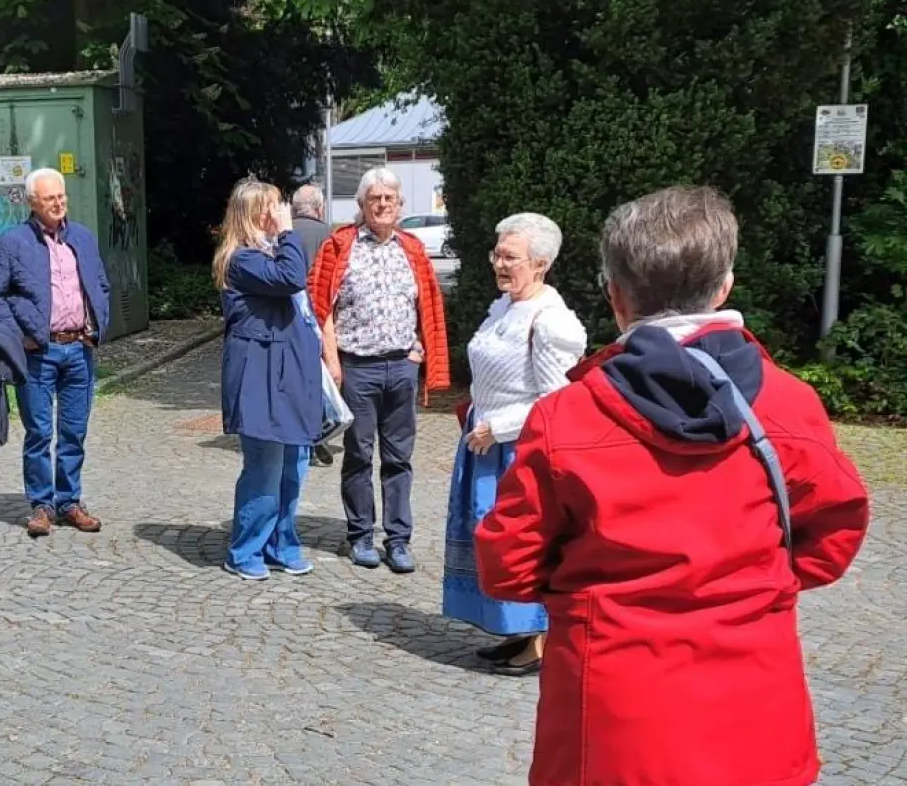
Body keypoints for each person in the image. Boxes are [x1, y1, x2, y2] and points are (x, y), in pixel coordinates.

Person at [476, 186, 870, 786]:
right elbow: (834, 530)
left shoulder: (565, 418)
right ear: (726, 286)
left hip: (611, 707)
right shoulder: (791, 405)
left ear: (614, 296)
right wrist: (755, 584)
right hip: (755, 696)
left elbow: (508, 563)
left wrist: (582, 598)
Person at [440, 213, 585, 675]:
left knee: (521, 538)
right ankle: (513, 630)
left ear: (540, 263)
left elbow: (556, 399)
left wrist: (498, 427)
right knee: (488, 534)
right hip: (485, 442)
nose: (500, 264)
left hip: (517, 450)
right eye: (496, 255)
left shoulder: (550, 320)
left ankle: (538, 638)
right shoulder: (504, 306)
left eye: (511, 257)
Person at [306, 168, 449, 573]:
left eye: (390, 198)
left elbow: (428, 305)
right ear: (363, 205)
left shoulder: (413, 249)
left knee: (399, 457)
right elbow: (322, 308)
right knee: (358, 454)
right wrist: (331, 361)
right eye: (375, 199)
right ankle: (361, 535)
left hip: (401, 368)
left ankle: (399, 539)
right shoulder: (340, 246)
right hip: (357, 368)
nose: (383, 205)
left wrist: (420, 345)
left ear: (400, 205)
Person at [0, 167, 113, 537]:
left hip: (79, 348)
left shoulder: (83, 238)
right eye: (50, 198)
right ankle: (41, 504)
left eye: (62, 196)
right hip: (39, 352)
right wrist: (18, 334)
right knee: (38, 431)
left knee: (74, 430)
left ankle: (69, 501)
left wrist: (98, 323)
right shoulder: (13, 242)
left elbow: (100, 283)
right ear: (32, 202)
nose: (58, 203)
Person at [213, 179, 324, 580]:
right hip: (260, 376)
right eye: (273, 206)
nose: (281, 213)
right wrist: (289, 232)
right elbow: (291, 277)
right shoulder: (242, 260)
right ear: (253, 214)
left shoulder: (271, 252)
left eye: (282, 206)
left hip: (288, 372)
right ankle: (245, 550)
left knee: (295, 464)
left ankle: (282, 542)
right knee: (265, 467)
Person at [289, 184, 333, 466]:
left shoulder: (283, 233)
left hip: (289, 315)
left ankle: (297, 432)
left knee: (294, 376)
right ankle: (321, 432)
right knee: (324, 378)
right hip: (323, 313)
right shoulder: (329, 234)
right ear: (320, 208)